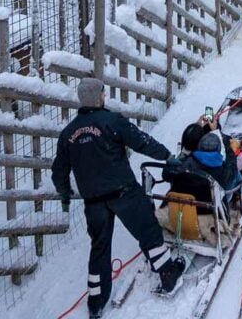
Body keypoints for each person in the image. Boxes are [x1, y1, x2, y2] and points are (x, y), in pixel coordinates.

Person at [51, 78, 186, 318]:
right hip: (123, 192)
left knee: (99, 247)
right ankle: (167, 273)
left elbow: (59, 168)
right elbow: (142, 141)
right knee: (147, 229)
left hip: (93, 202)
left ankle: (96, 300)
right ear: (99, 96)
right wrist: (167, 156)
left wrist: (64, 192)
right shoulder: (112, 121)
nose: (105, 96)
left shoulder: (68, 133)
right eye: (103, 93)